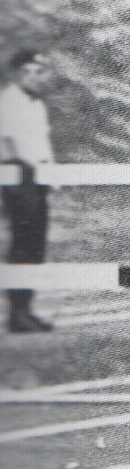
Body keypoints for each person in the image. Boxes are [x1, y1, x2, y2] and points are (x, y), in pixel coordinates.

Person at [0, 48, 55, 332]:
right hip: (19, 178)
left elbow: (43, 146)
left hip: (39, 180)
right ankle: (17, 312)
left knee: (36, 244)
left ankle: (26, 309)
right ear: (22, 72)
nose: (41, 77)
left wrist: (50, 175)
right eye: (37, 71)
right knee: (23, 244)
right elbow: (12, 146)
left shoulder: (37, 104)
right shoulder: (9, 101)